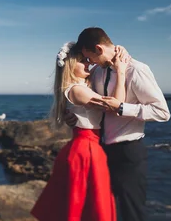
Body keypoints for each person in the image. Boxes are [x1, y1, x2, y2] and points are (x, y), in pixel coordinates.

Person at [65, 27, 171, 221]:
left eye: (89, 57)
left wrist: (123, 108)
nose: (88, 63)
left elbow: (162, 112)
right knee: (102, 213)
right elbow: (84, 101)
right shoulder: (96, 72)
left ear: (98, 48)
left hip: (127, 153)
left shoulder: (136, 70)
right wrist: (70, 115)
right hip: (99, 151)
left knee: (132, 214)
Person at [31, 41, 131, 221]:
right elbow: (117, 105)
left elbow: (100, 62)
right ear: (69, 65)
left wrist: (118, 50)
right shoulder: (78, 91)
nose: (89, 63)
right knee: (90, 207)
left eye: (88, 59)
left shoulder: (82, 87)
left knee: (85, 205)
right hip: (86, 152)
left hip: (86, 148)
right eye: (83, 61)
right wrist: (121, 71)